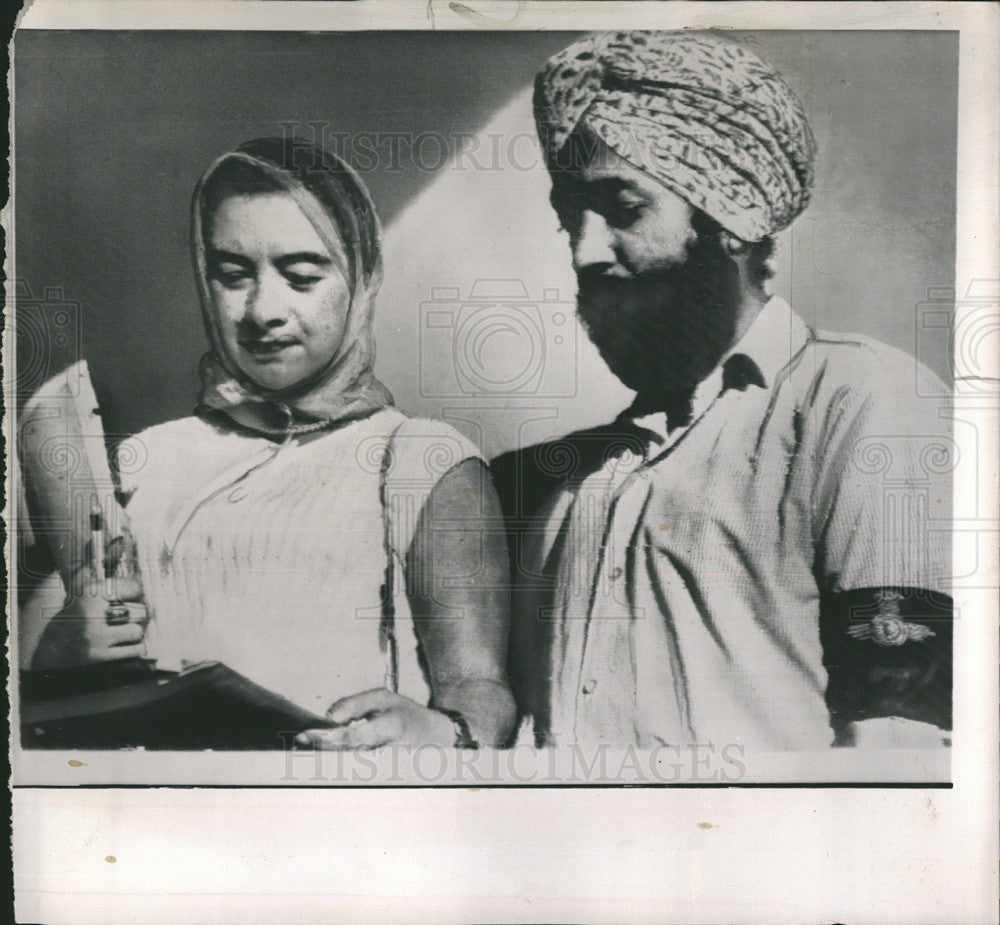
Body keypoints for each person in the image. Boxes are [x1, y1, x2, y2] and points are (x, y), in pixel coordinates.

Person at [494, 31, 953, 751]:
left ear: (732, 219)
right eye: (569, 214)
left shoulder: (859, 400)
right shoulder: (577, 479)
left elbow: (900, 740)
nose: (584, 251)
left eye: (622, 205)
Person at [31, 137, 515, 750]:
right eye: (233, 276)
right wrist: (56, 653)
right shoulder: (142, 461)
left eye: (302, 275)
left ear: (362, 277)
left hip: (339, 812)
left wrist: (446, 733)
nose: (264, 310)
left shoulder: (421, 459)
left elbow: (480, 683)